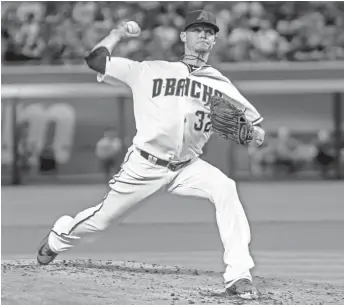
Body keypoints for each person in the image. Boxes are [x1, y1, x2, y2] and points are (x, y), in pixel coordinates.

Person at [37, 10, 265, 300]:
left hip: (187, 166)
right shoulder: (149, 69)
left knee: (226, 188)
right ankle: (59, 238)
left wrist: (255, 135)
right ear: (184, 36)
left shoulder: (220, 83)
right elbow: (95, 60)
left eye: (210, 31)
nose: (204, 35)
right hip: (145, 165)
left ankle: (238, 275)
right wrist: (118, 33)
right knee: (102, 221)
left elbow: (254, 127)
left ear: (215, 40)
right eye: (198, 30)